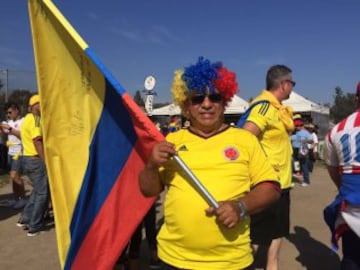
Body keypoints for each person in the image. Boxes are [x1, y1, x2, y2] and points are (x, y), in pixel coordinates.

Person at [139, 57, 281, 270]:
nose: (206, 104)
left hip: (231, 262)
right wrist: (151, 165)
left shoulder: (245, 140)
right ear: (186, 105)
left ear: (224, 102)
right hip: (174, 260)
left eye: (214, 97)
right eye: (197, 99)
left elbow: (271, 188)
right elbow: (148, 191)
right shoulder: (171, 142)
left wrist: (240, 207)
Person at [238, 64, 295, 270]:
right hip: (266, 184)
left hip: (283, 184)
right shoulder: (264, 107)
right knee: (255, 236)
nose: (293, 88)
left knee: (277, 232)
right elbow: (245, 138)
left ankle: (273, 266)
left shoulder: (280, 111)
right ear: (283, 84)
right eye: (292, 83)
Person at [323, 82, 360, 270]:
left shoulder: (336, 130)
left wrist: (344, 189)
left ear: (356, 99)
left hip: (350, 207)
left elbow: (332, 169)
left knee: (352, 256)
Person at [16, 94, 49, 236]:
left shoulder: (27, 119)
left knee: (36, 191)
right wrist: (45, 160)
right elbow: (37, 141)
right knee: (43, 193)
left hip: (26, 159)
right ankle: (34, 226)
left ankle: (25, 219)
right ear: (35, 105)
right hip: (35, 160)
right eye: (41, 104)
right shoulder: (36, 119)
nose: (43, 106)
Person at [0, 102, 26, 209]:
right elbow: (4, 135)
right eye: (7, 113)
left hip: (19, 152)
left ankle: (23, 198)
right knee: (13, 176)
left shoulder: (23, 121)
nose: (8, 115)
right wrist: (2, 129)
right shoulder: (9, 122)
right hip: (10, 152)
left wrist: (9, 128)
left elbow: (22, 135)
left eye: (10, 112)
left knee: (15, 175)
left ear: (17, 110)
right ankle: (16, 198)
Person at [293, 119, 313, 187]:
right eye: (296, 126)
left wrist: (305, 141)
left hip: (303, 151)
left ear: (302, 125)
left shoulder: (306, 132)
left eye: (299, 125)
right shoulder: (295, 132)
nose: (297, 127)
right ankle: (298, 174)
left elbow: (311, 141)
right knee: (296, 164)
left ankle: (306, 181)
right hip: (295, 150)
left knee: (304, 166)